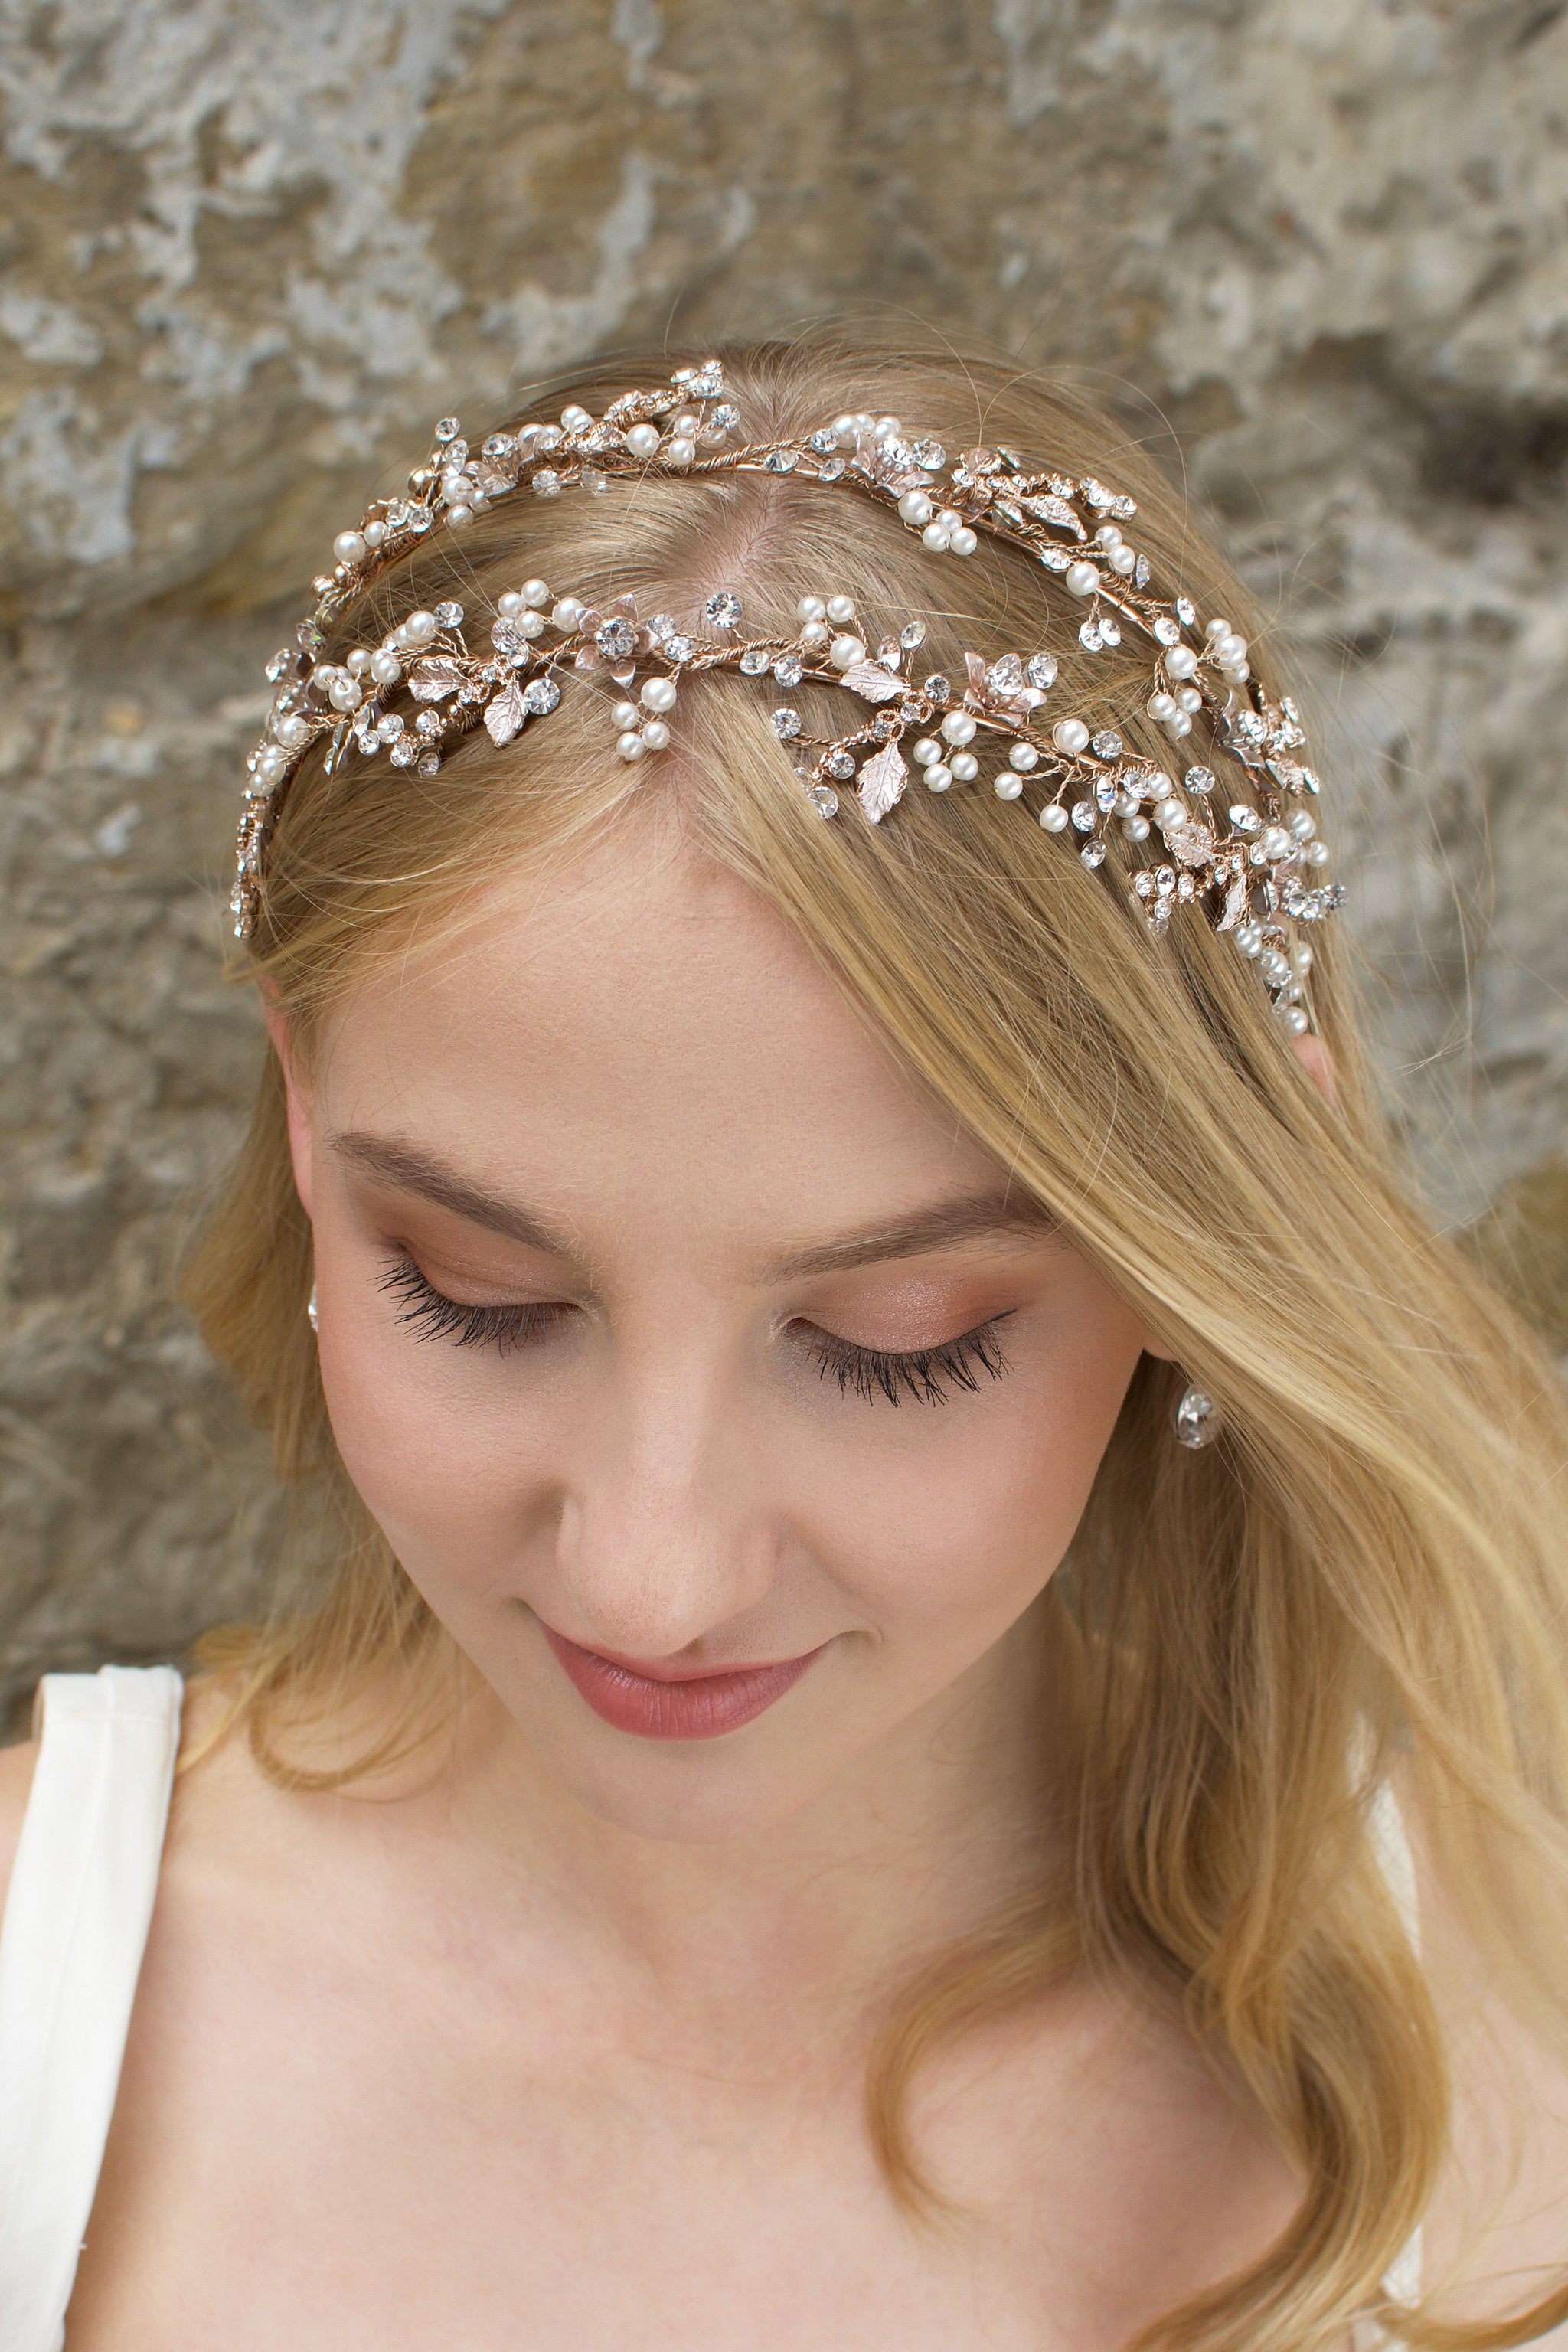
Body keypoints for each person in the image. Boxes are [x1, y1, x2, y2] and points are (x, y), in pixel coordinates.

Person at [1, 335, 1565, 2352]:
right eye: (475, 1291)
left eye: (899, 1341)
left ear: (1202, 1244)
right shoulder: (46, 2013)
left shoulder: (1509, 2069)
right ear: (304, 1125)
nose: (652, 1573)